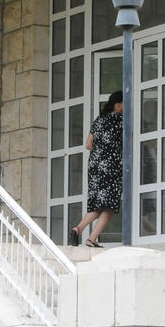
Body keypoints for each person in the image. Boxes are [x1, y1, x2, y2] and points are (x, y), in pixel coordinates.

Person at [70, 90, 123, 248]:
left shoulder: (99, 120)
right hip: (111, 166)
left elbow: (88, 145)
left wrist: (101, 150)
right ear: (118, 104)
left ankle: (78, 230)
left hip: (94, 165)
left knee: (98, 204)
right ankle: (91, 239)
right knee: (110, 206)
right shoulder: (121, 120)